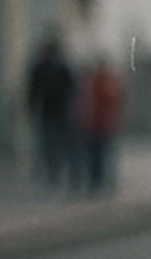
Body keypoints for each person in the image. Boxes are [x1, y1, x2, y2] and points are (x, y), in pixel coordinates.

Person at [25, 33, 78, 191]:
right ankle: (55, 172)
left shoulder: (59, 68)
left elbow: (71, 90)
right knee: (50, 144)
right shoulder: (44, 68)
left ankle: (59, 172)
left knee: (56, 144)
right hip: (51, 112)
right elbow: (33, 90)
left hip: (58, 112)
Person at [76, 51, 126, 194]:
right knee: (97, 154)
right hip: (96, 124)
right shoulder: (97, 82)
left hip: (101, 124)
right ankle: (98, 180)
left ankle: (101, 181)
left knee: (101, 154)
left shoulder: (103, 82)